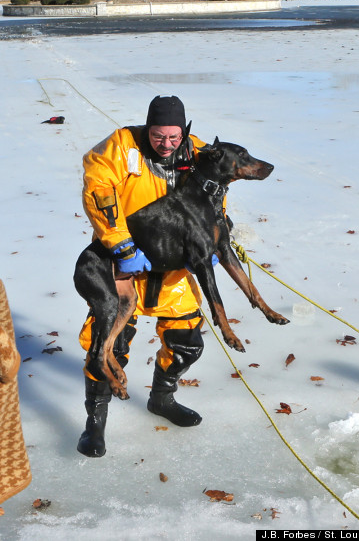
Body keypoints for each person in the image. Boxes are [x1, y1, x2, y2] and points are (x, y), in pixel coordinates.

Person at [77, 95, 216, 458]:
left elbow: (215, 197)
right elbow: (98, 188)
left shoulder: (199, 154)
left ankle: (162, 399)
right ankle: (95, 422)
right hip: (124, 265)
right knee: (108, 347)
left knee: (187, 342)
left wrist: (212, 241)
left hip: (173, 269)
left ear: (184, 131)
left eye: (173, 137)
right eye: (158, 136)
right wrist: (121, 245)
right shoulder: (120, 147)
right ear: (147, 128)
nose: (166, 144)